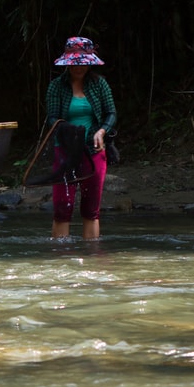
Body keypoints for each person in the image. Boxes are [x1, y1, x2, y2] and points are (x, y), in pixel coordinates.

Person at [45, 36, 117, 240]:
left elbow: (111, 113)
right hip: (65, 150)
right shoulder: (56, 87)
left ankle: (92, 256)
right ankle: (62, 259)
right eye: (74, 64)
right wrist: (66, 131)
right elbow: (52, 118)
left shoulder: (99, 84)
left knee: (91, 208)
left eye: (82, 64)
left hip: (94, 150)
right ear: (67, 64)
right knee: (61, 207)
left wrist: (102, 131)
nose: (78, 68)